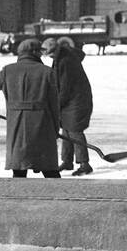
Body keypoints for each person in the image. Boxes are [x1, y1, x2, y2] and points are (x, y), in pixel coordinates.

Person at [0, 39, 61, 179]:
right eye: (39, 52)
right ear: (33, 53)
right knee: (49, 170)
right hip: (42, 125)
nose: (41, 55)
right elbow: (54, 104)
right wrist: (55, 128)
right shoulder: (47, 72)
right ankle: (61, 198)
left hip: (16, 124)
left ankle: (17, 197)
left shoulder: (7, 71)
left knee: (19, 168)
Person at [44, 36, 94, 176]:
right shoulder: (61, 57)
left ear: (56, 50)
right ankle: (67, 161)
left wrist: (56, 104)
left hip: (77, 100)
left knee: (75, 130)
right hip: (73, 99)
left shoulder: (65, 61)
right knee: (66, 129)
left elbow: (64, 87)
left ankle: (84, 164)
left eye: (51, 54)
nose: (50, 57)